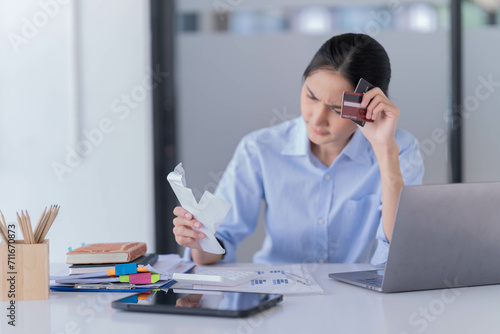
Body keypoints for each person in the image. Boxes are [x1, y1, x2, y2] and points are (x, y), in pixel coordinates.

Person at [172, 33, 424, 266]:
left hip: (359, 301)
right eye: (311, 97)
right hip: (277, 299)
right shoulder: (260, 148)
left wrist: (384, 150)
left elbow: (400, 251)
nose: (317, 119)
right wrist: (198, 241)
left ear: (367, 107)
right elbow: (218, 244)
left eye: (337, 109)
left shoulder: (399, 150)